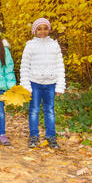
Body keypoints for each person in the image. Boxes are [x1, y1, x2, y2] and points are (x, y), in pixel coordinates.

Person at [20, 18, 65, 149]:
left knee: (49, 110)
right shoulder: (30, 45)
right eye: (39, 29)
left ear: (49, 30)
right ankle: (34, 136)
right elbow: (24, 66)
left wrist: (60, 85)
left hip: (51, 83)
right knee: (33, 110)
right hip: (35, 83)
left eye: (45, 28)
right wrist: (26, 86)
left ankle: (51, 136)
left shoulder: (54, 45)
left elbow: (59, 66)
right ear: (34, 31)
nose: (42, 31)